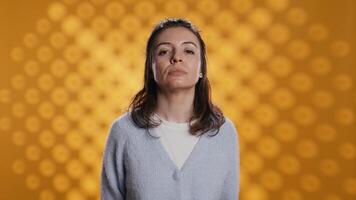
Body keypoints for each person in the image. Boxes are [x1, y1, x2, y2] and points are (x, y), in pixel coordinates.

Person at [101, 18, 240, 200]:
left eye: (189, 51)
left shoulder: (223, 132)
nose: (177, 57)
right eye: (164, 51)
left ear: (201, 69)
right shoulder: (124, 131)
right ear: (151, 69)